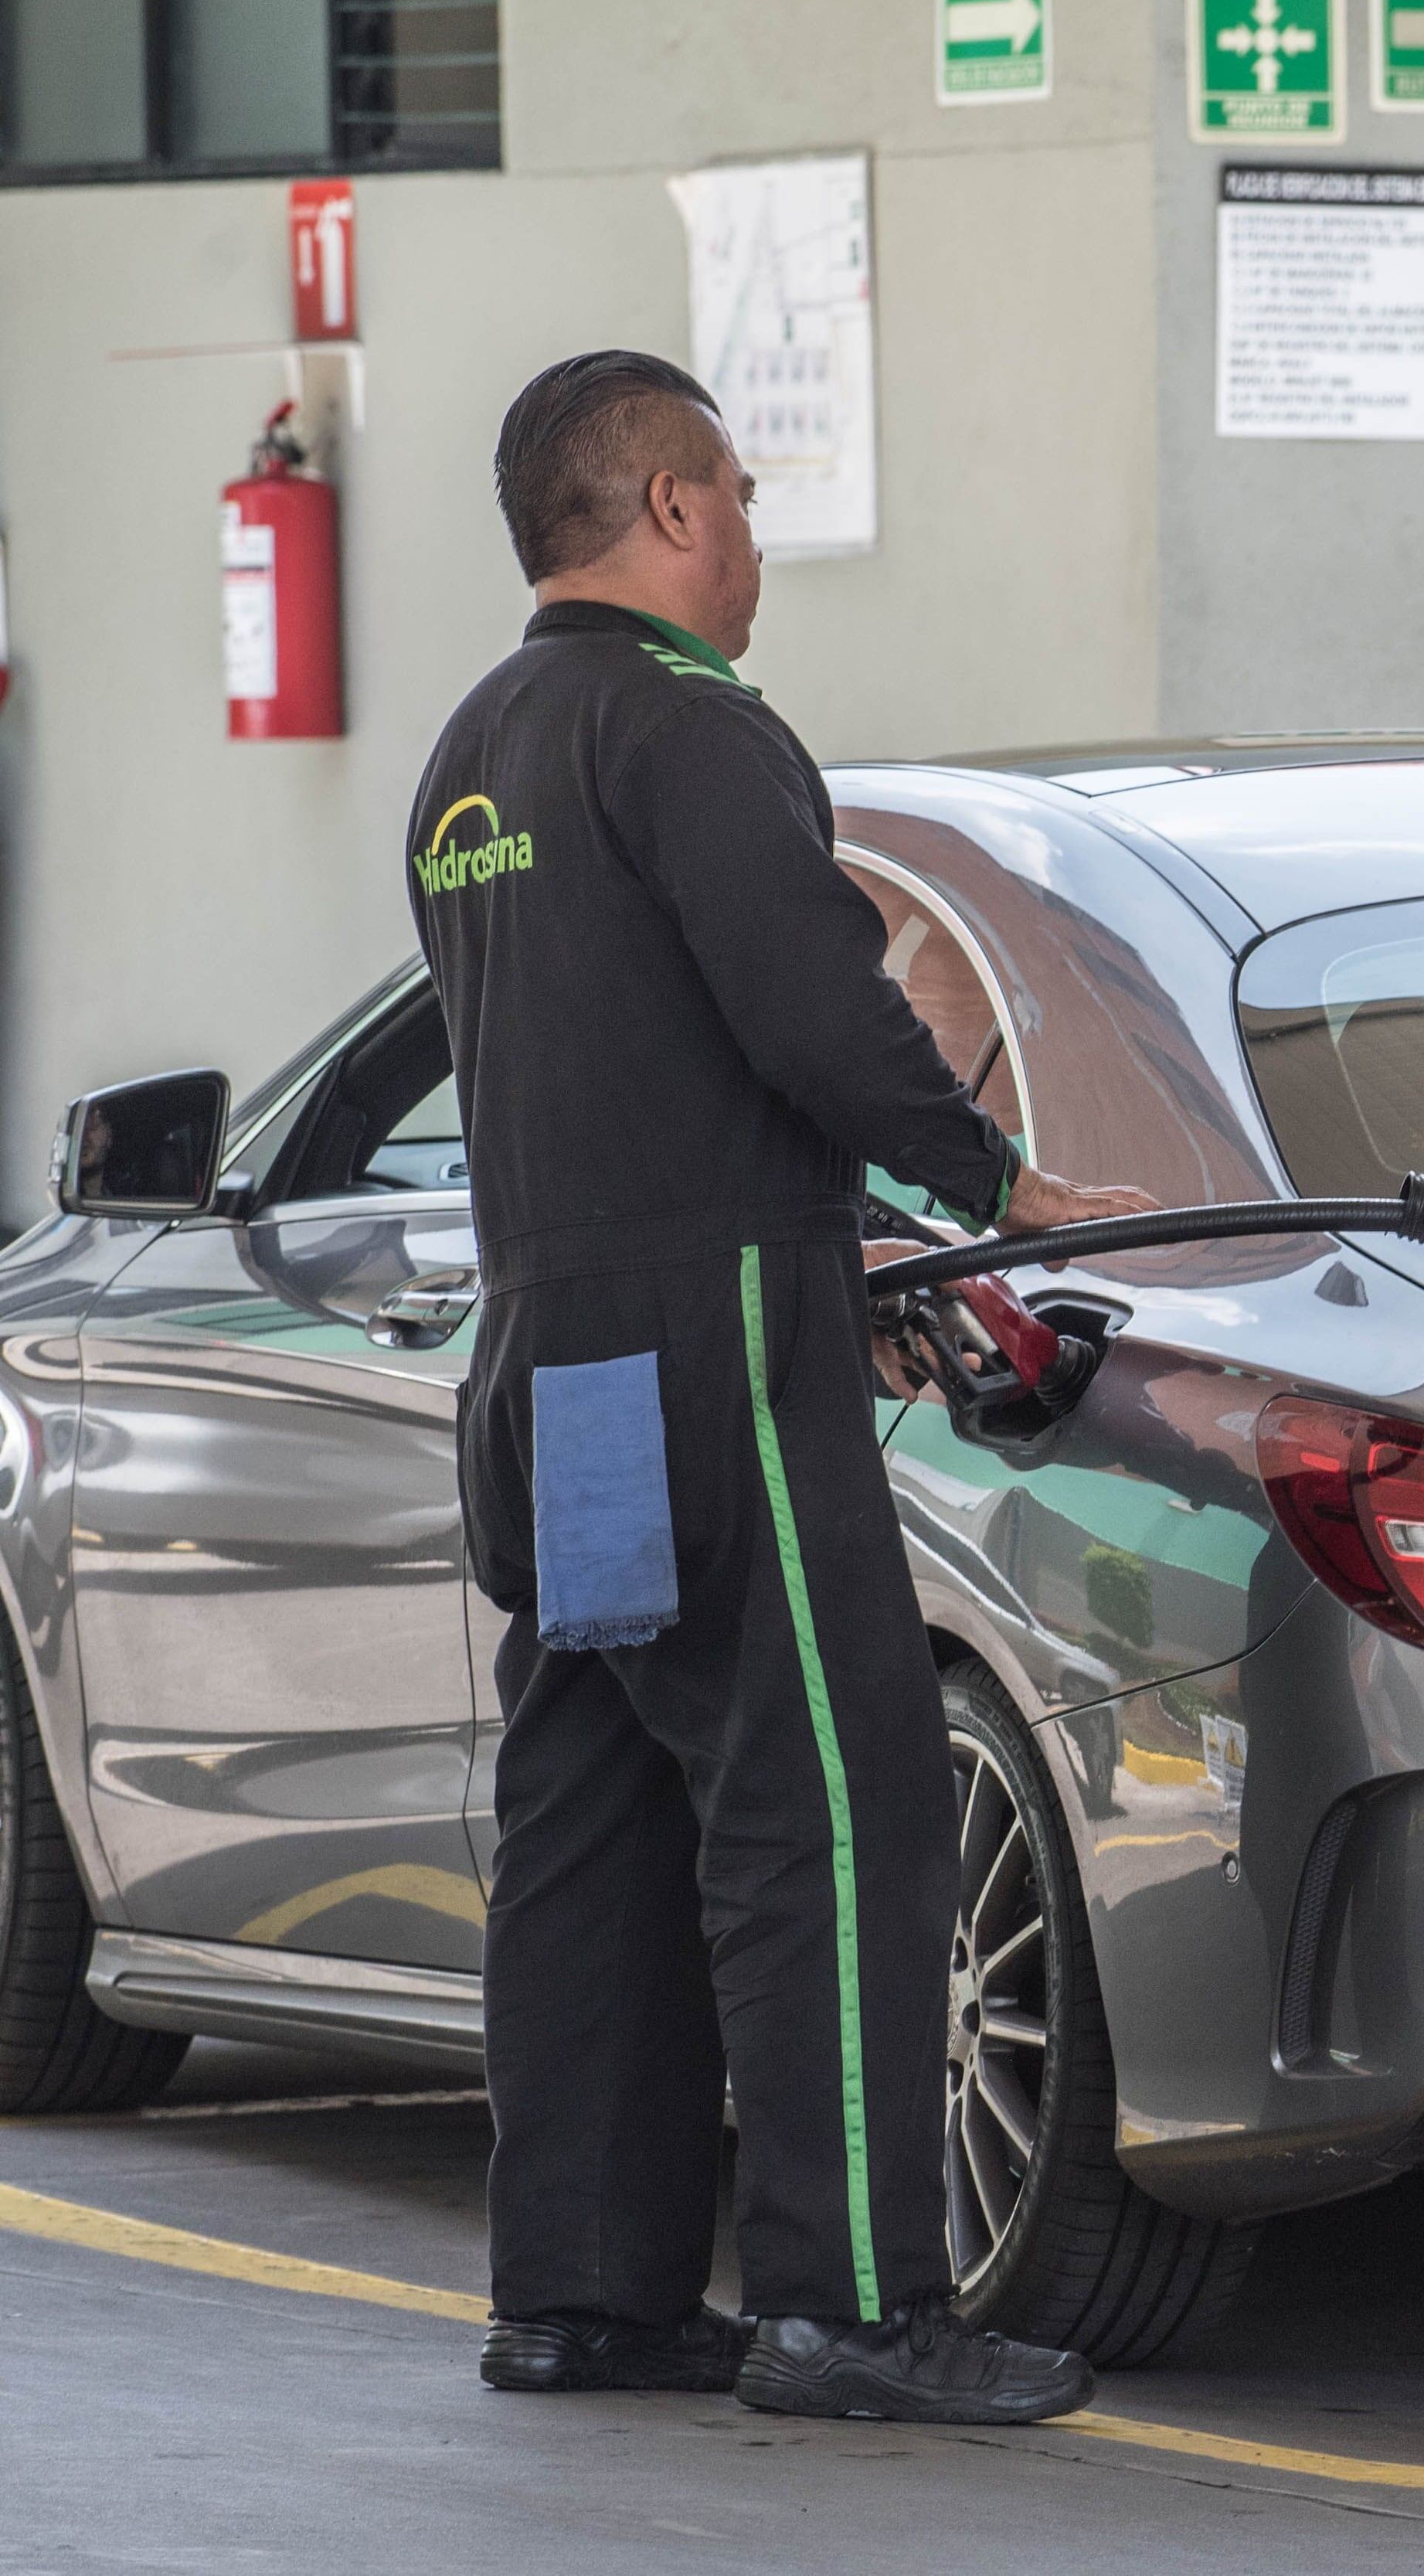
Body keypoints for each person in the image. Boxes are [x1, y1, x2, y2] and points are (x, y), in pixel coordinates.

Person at [410, 351, 1158, 2421]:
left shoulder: (471, 763)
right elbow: (812, 1019)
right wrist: (998, 1181)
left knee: (603, 1804)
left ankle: (583, 2291)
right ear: (661, 505)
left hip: (555, 1363)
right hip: (714, 1348)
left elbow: (618, 1068)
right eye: (735, 495)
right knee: (837, 1802)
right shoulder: (691, 731)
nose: (755, 543)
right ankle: (851, 2305)